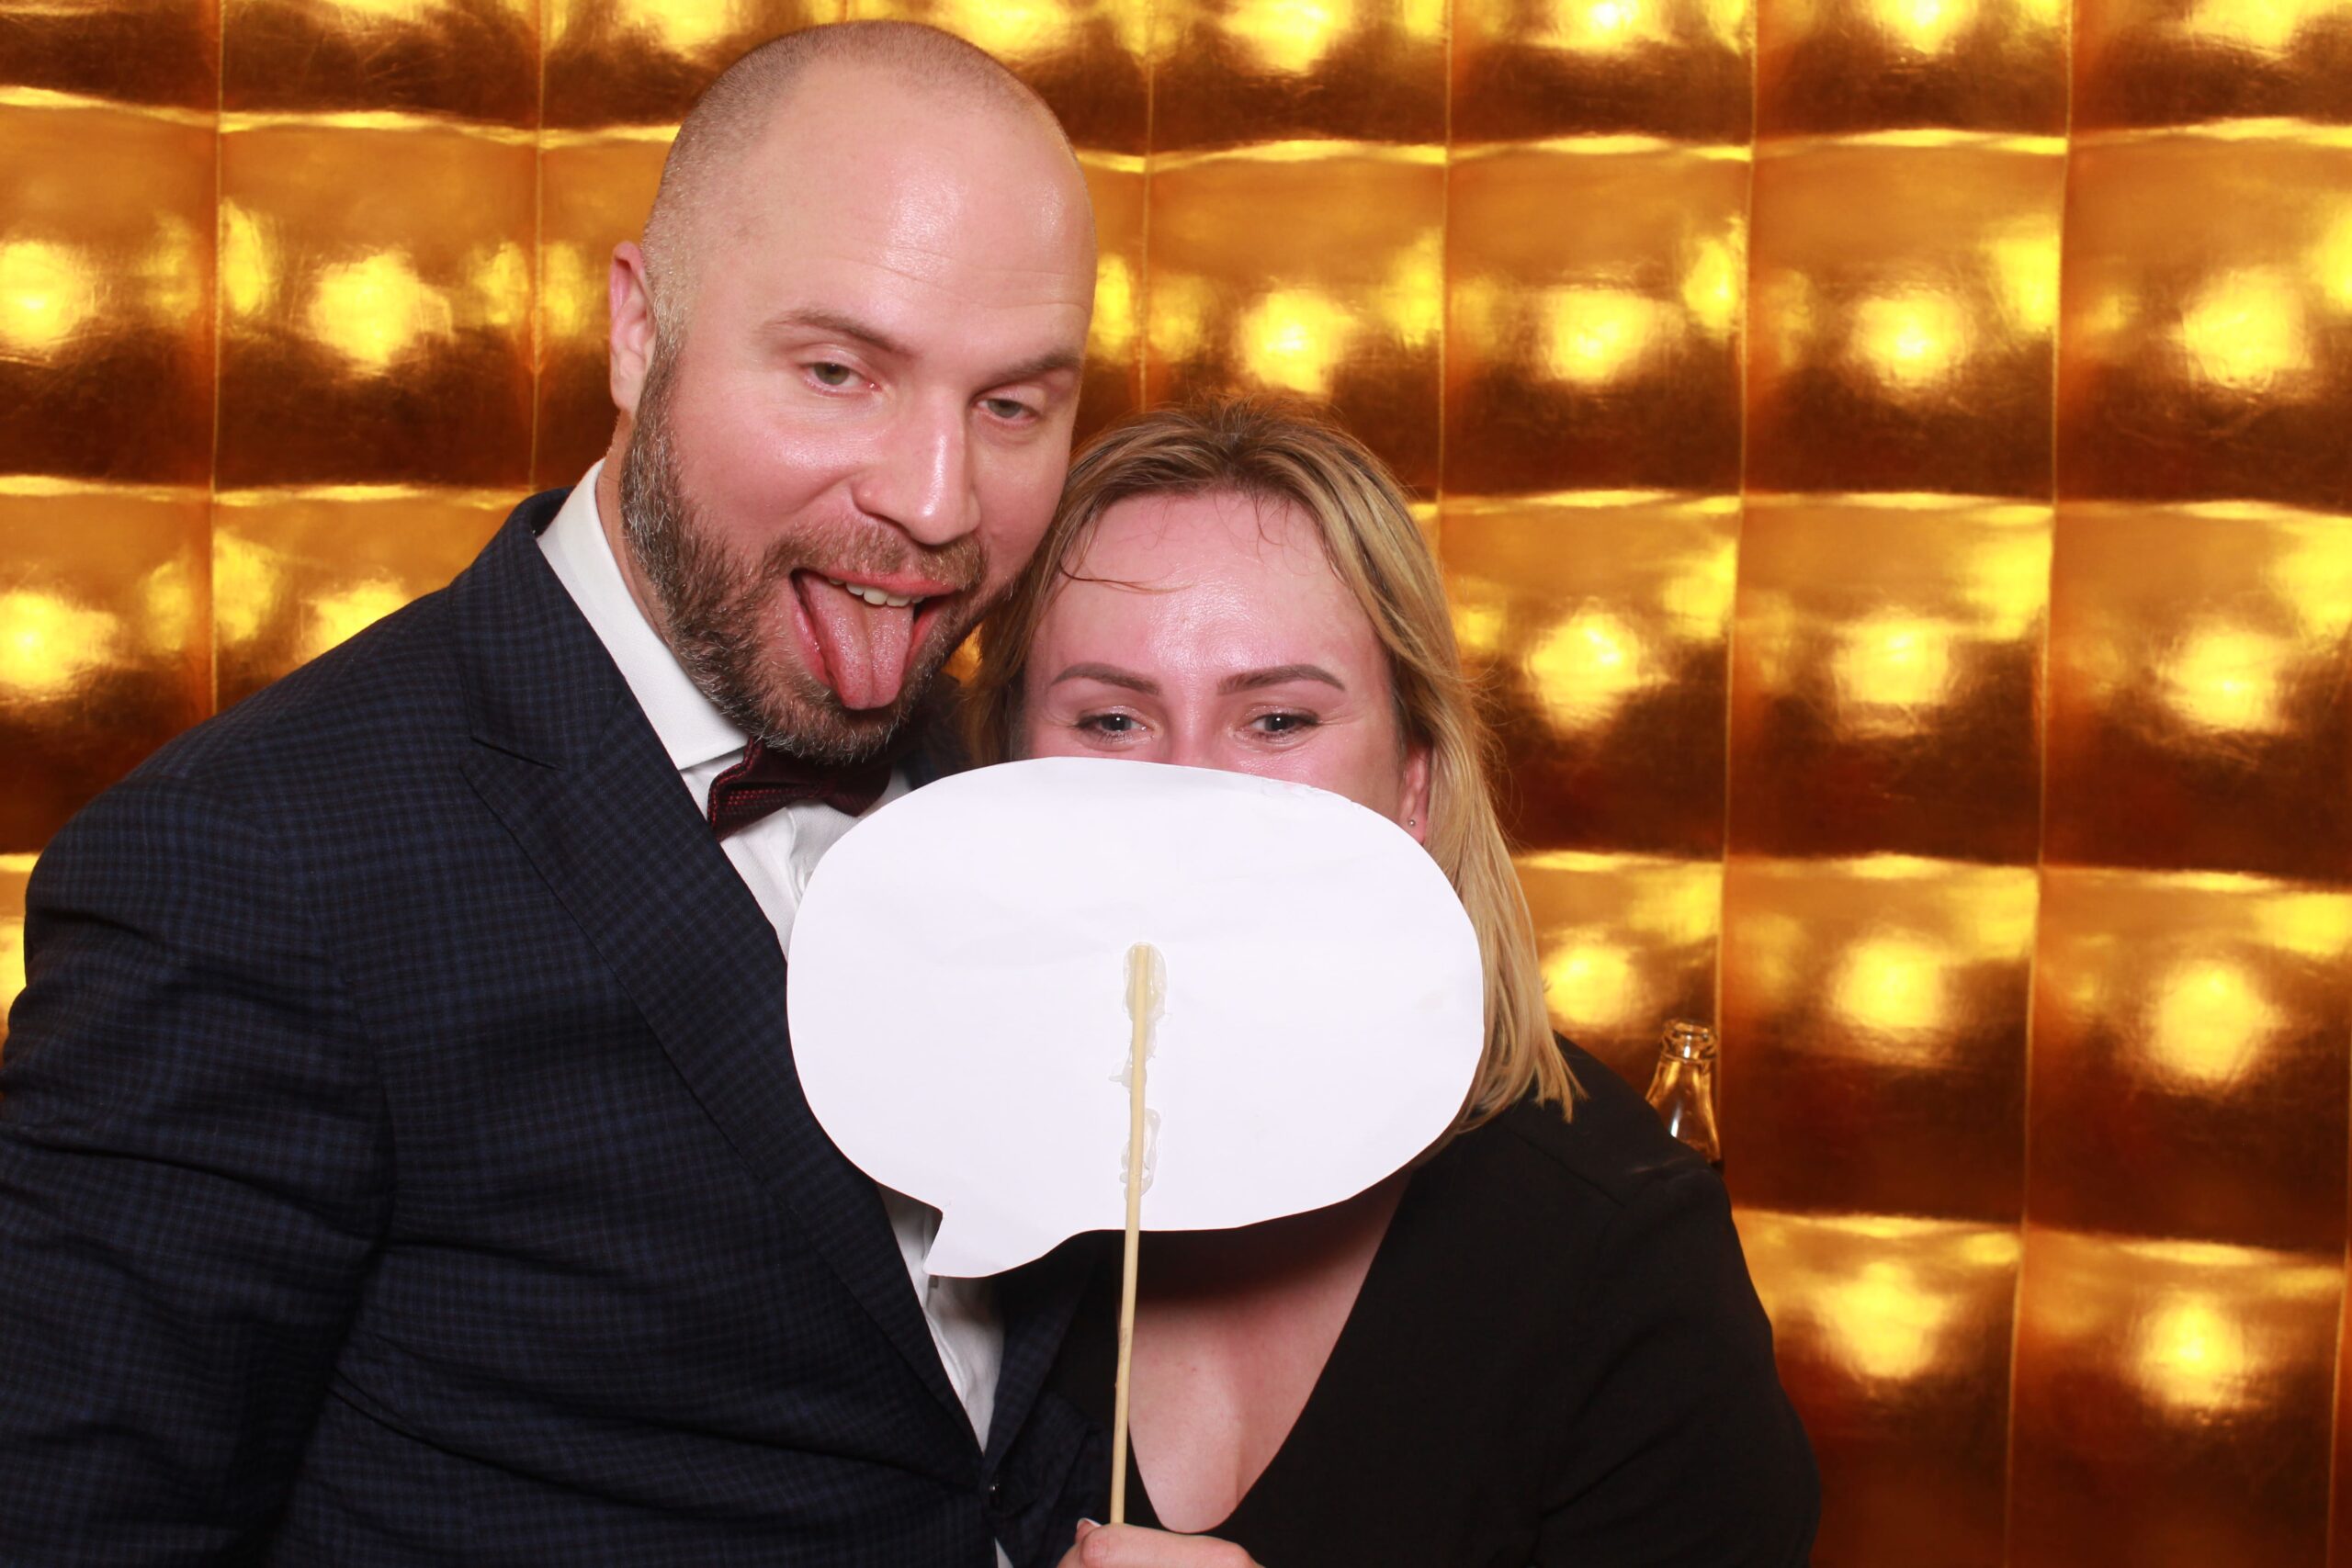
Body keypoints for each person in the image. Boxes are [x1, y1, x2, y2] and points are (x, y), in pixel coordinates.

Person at [0, 22, 1102, 1564]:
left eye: (1013, 406)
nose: (933, 499)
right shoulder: (250, 864)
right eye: (837, 371)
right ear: (639, 330)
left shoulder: (1043, 795)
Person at [962, 402, 1819, 1568]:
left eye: (1277, 719)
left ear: (1414, 784)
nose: (1190, 795)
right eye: (1110, 719)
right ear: (1006, 768)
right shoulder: (931, 1181)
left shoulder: (1612, 1252)